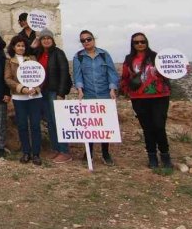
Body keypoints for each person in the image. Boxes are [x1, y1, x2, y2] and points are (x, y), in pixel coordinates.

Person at [120, 32, 172, 169]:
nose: (140, 44)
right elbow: (125, 77)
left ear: (146, 42)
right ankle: (152, 156)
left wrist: (181, 70)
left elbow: (169, 71)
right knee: (147, 128)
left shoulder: (156, 57)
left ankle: (165, 155)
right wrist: (126, 90)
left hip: (159, 97)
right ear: (132, 44)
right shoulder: (129, 59)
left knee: (159, 126)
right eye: (136, 42)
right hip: (139, 98)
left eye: (142, 41)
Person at [73, 30, 120, 166]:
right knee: (89, 125)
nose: (86, 42)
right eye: (83, 40)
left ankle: (105, 153)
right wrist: (80, 90)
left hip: (105, 93)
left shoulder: (104, 55)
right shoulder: (78, 57)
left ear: (94, 39)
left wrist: (112, 89)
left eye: (88, 39)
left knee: (104, 125)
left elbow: (111, 72)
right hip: (88, 94)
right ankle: (89, 152)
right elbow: (77, 75)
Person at [4, 36, 44, 165]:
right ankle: (26, 152)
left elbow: (40, 75)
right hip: (19, 97)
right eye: (18, 45)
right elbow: (8, 79)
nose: (21, 48)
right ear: (13, 47)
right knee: (22, 125)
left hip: (35, 97)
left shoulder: (32, 59)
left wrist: (35, 89)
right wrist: (22, 89)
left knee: (35, 125)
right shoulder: (9, 61)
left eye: (23, 45)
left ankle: (36, 153)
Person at [36, 29, 72, 163]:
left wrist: (61, 93)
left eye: (48, 38)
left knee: (58, 121)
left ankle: (64, 151)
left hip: (54, 91)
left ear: (52, 40)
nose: (46, 40)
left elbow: (64, 73)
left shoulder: (58, 53)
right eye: (43, 38)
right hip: (43, 91)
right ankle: (56, 148)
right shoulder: (39, 53)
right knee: (50, 121)